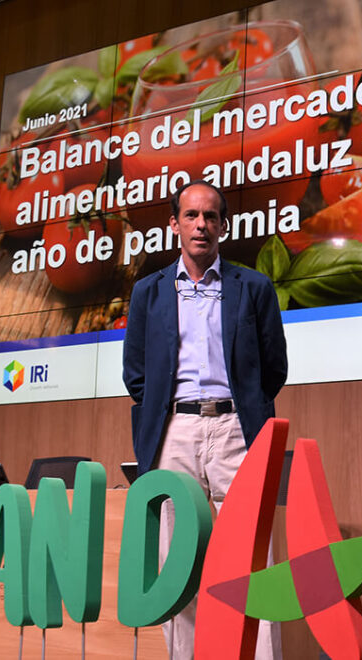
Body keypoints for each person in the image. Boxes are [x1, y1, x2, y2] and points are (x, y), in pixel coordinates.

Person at [123, 180, 287, 659]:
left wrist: (245, 408)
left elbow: (273, 368)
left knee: (252, 558)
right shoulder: (148, 291)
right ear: (174, 224)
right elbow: (136, 373)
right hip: (174, 431)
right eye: (191, 215)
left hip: (237, 429)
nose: (201, 225)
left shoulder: (253, 287)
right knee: (178, 561)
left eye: (211, 216)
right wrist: (168, 413)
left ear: (223, 226)